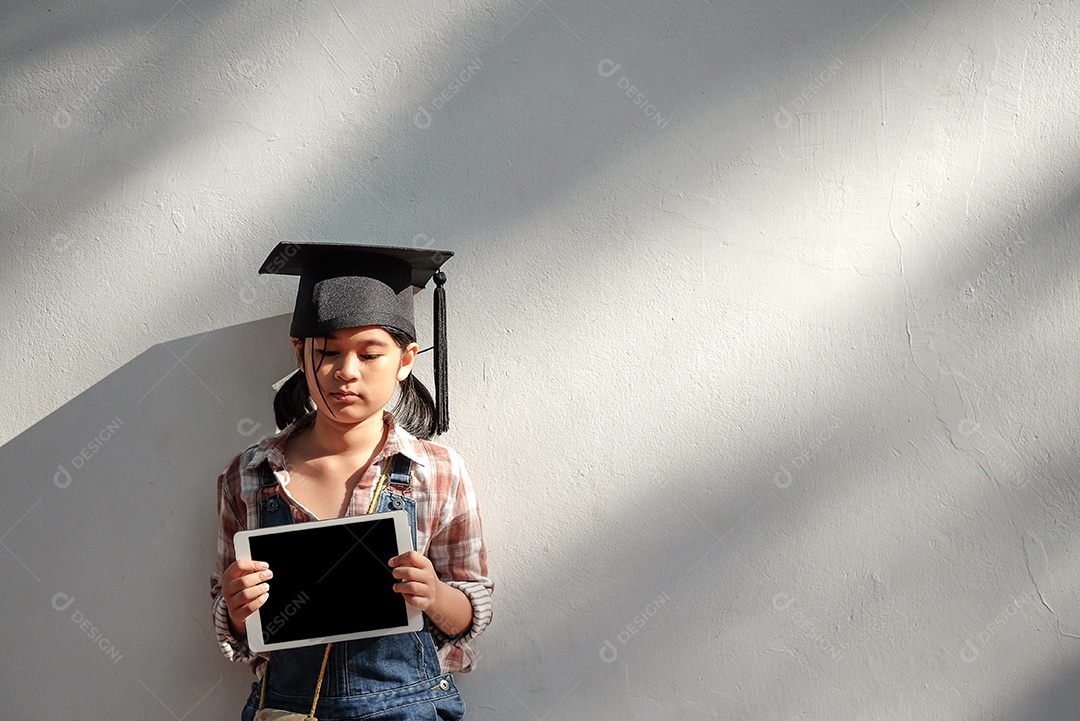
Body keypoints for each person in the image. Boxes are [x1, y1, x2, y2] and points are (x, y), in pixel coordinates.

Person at [210, 243, 493, 720]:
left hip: (408, 709)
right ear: (300, 352)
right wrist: (238, 609)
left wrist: (435, 595)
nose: (346, 372)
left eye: (370, 354)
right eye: (329, 352)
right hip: (287, 711)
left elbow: (472, 607)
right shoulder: (249, 475)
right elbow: (231, 614)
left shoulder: (439, 473)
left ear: (406, 360)